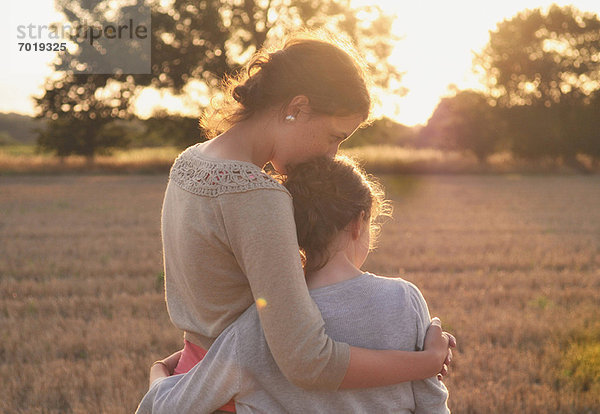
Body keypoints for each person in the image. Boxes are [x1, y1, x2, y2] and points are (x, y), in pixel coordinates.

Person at [146, 30, 455, 413]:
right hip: (239, 398)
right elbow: (309, 361)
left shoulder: (190, 162)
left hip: (195, 380)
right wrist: (425, 363)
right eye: (334, 136)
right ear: (297, 107)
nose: (331, 154)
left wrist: (167, 377)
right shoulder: (257, 195)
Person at [137, 155, 451, 413]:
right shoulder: (404, 299)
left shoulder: (259, 323)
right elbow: (432, 403)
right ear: (359, 222)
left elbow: (170, 408)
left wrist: (158, 372)